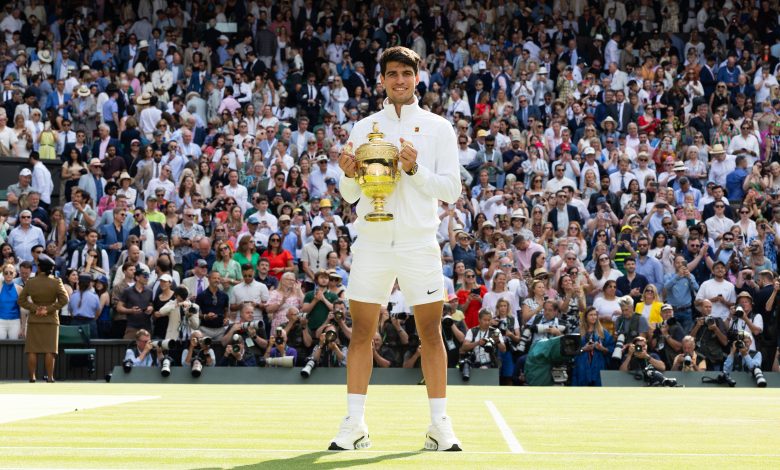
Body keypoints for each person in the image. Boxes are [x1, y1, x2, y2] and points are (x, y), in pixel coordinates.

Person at [330, 47, 461, 452]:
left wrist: (415, 169)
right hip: (371, 239)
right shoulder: (364, 126)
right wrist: (349, 175)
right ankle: (354, 424)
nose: (399, 80)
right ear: (382, 80)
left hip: (419, 240)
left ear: (417, 77)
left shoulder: (439, 127)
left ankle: (439, 426)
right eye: (392, 74)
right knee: (361, 334)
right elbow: (350, 193)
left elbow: (451, 190)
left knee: (431, 334)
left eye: (406, 73)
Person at [17, 255, 69, 382]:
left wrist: (35, 308)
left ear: (39, 267)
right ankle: (50, 377)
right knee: (50, 350)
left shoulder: (31, 282)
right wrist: (49, 309)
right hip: (50, 320)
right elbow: (65, 299)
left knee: (32, 350)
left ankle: (32, 377)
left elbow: (21, 300)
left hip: (35, 319)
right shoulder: (56, 281)